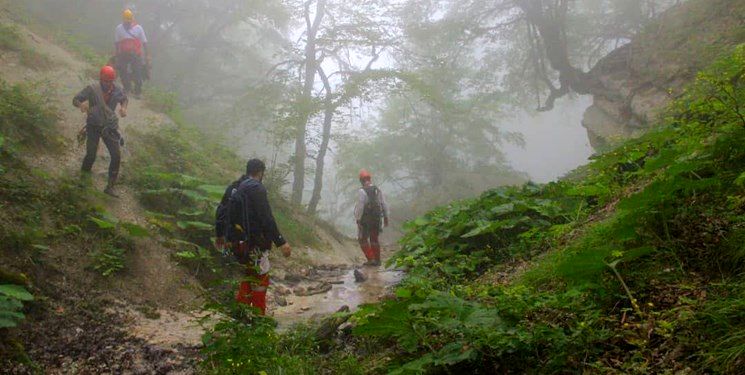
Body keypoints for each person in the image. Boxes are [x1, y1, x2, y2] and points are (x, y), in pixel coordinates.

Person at [215, 159, 292, 315]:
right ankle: (258, 318)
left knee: (249, 274)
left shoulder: (235, 187)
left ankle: (241, 314)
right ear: (261, 172)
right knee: (261, 277)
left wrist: (220, 235)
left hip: (237, 243)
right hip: (255, 243)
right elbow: (266, 217)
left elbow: (221, 210)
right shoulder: (256, 188)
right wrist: (281, 242)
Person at [73, 65, 128, 197]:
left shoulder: (117, 90)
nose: (108, 84)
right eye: (106, 81)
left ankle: (110, 186)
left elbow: (124, 99)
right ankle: (83, 180)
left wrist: (123, 108)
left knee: (116, 155)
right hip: (93, 126)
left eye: (110, 81)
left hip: (109, 127)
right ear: (101, 79)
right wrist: (81, 105)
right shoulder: (92, 89)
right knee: (91, 154)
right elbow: (75, 99)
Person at [354, 169, 389, 266]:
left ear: (361, 180)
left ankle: (371, 259)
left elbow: (360, 206)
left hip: (365, 220)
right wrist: (386, 217)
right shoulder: (377, 189)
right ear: (369, 178)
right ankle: (377, 260)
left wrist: (358, 219)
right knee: (374, 239)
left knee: (362, 239)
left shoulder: (362, 191)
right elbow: (383, 203)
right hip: (377, 219)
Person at [114, 9, 149, 98]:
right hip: (123, 53)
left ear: (132, 20)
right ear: (123, 20)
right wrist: (117, 55)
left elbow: (144, 42)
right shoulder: (119, 28)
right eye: (126, 22)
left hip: (136, 54)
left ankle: (138, 91)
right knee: (122, 70)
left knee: (137, 72)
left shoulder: (138, 28)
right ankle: (127, 88)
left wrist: (147, 55)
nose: (128, 24)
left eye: (129, 22)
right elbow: (117, 43)